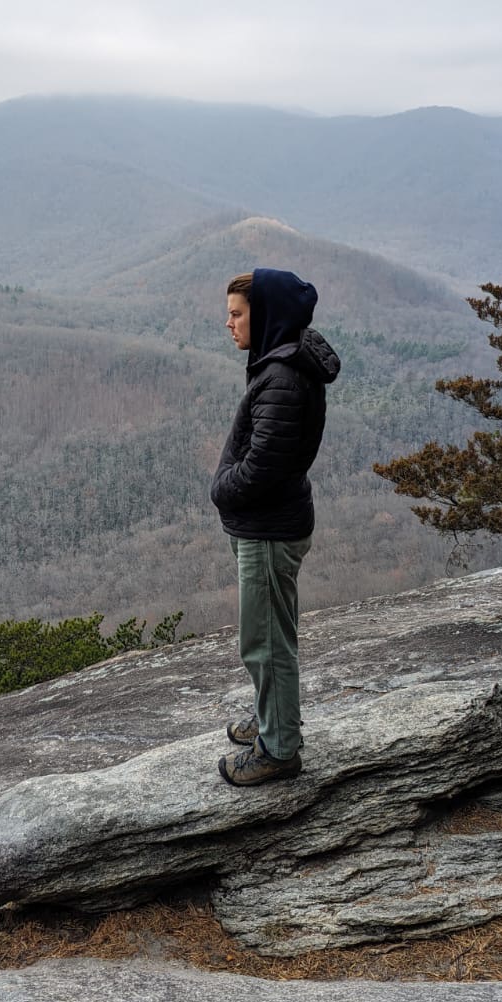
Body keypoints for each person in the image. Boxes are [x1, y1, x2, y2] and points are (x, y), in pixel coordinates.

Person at [210, 268, 340, 786]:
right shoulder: (281, 363)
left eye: (238, 314)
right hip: (273, 524)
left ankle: (279, 747)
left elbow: (265, 464)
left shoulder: (282, 377)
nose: (229, 324)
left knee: (264, 643)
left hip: (268, 531)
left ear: (262, 316)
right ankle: (275, 720)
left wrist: (221, 488)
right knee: (272, 636)